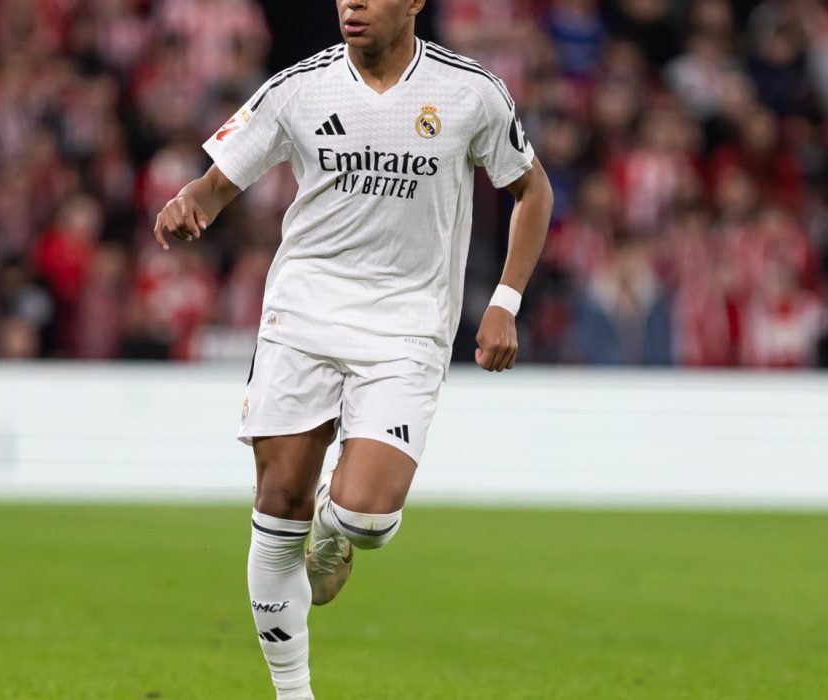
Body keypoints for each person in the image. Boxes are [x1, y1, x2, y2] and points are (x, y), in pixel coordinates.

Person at [152, 1, 553, 697]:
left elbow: (532, 189)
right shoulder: (298, 87)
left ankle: (335, 528)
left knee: (368, 514)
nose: (353, 4)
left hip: (407, 327)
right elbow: (217, 182)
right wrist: (192, 202)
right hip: (303, 315)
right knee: (279, 501)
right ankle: (294, 693)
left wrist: (505, 300)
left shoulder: (469, 91)